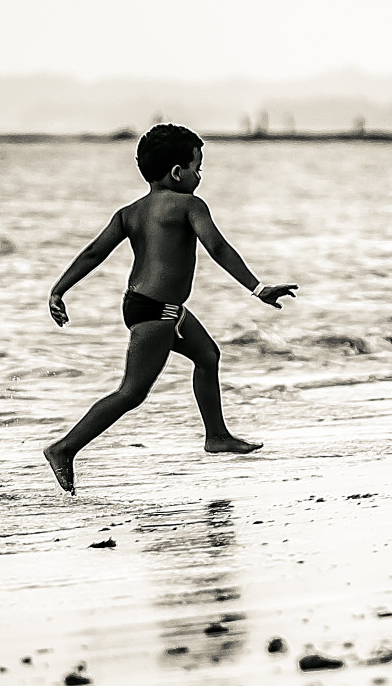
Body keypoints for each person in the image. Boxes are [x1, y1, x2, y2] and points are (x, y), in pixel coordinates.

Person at [43, 124, 297, 493]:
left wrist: (59, 290)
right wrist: (258, 288)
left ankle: (217, 436)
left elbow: (94, 252)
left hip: (149, 306)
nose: (199, 175)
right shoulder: (189, 205)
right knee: (132, 392)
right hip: (158, 312)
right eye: (197, 167)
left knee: (208, 355)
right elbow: (219, 248)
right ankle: (64, 448)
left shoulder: (129, 212)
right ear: (178, 172)